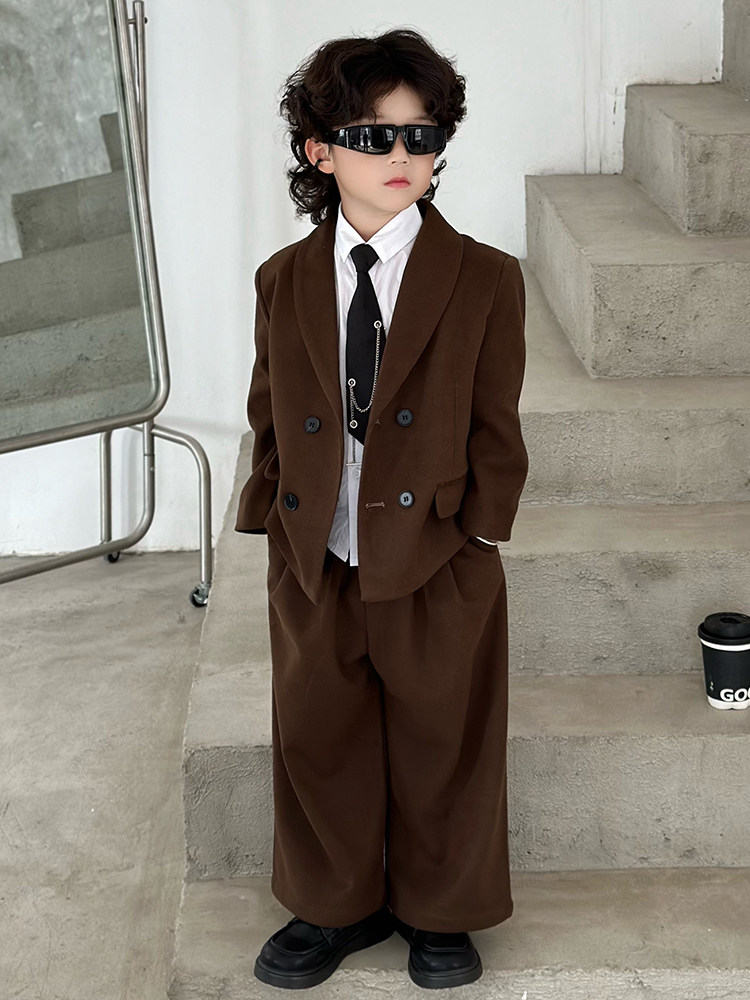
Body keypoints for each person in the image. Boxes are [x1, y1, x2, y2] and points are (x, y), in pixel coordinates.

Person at [234, 26, 528, 991]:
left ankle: (440, 908)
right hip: (318, 550)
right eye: (373, 136)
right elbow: (269, 408)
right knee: (320, 731)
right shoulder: (284, 279)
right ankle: (335, 902)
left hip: (437, 552)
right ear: (321, 151)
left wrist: (477, 534)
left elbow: (495, 424)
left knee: (447, 734)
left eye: (422, 136)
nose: (401, 154)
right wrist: (276, 521)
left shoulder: (483, 277)